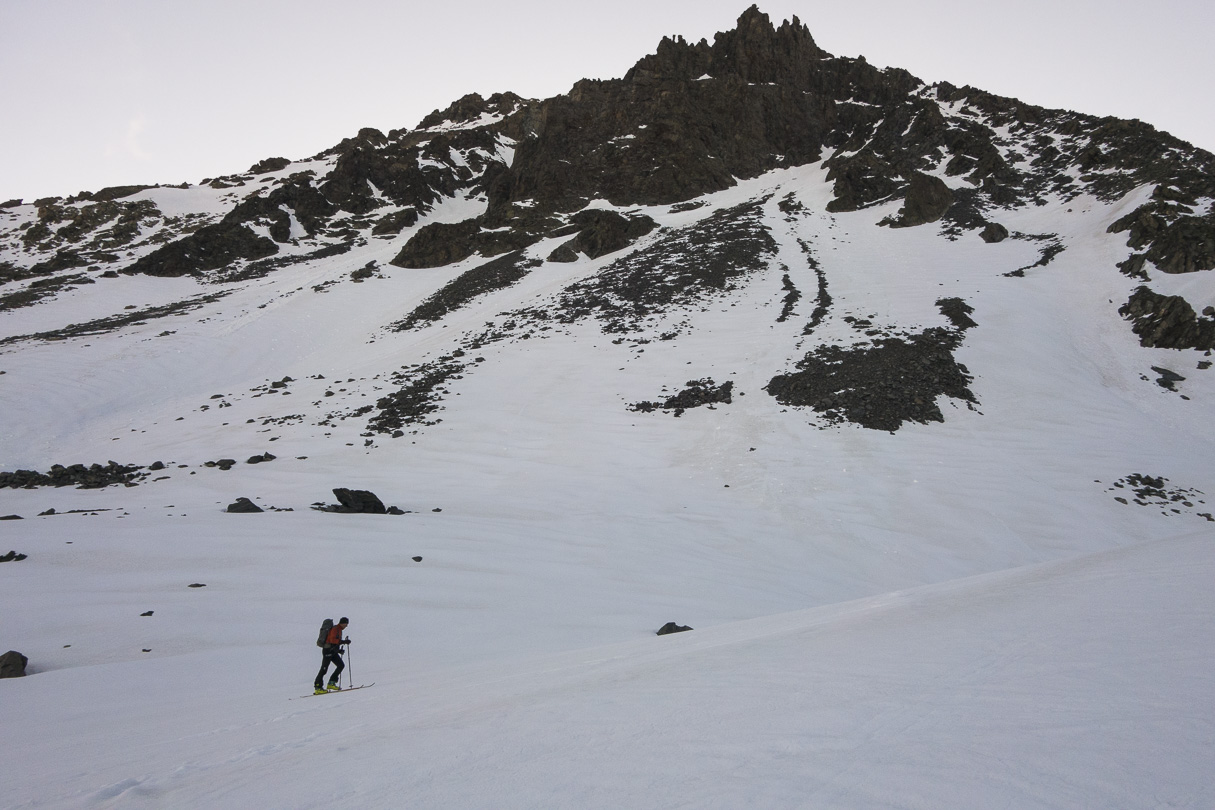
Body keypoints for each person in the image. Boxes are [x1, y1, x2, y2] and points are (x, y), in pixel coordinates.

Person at [314, 617, 350, 694]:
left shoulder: (339, 630)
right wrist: (343, 642)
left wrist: (339, 650)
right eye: (346, 624)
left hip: (332, 651)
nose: (346, 626)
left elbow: (334, 642)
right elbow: (332, 640)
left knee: (341, 665)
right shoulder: (335, 629)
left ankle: (331, 683)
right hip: (327, 650)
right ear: (342, 623)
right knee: (324, 669)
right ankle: (318, 687)